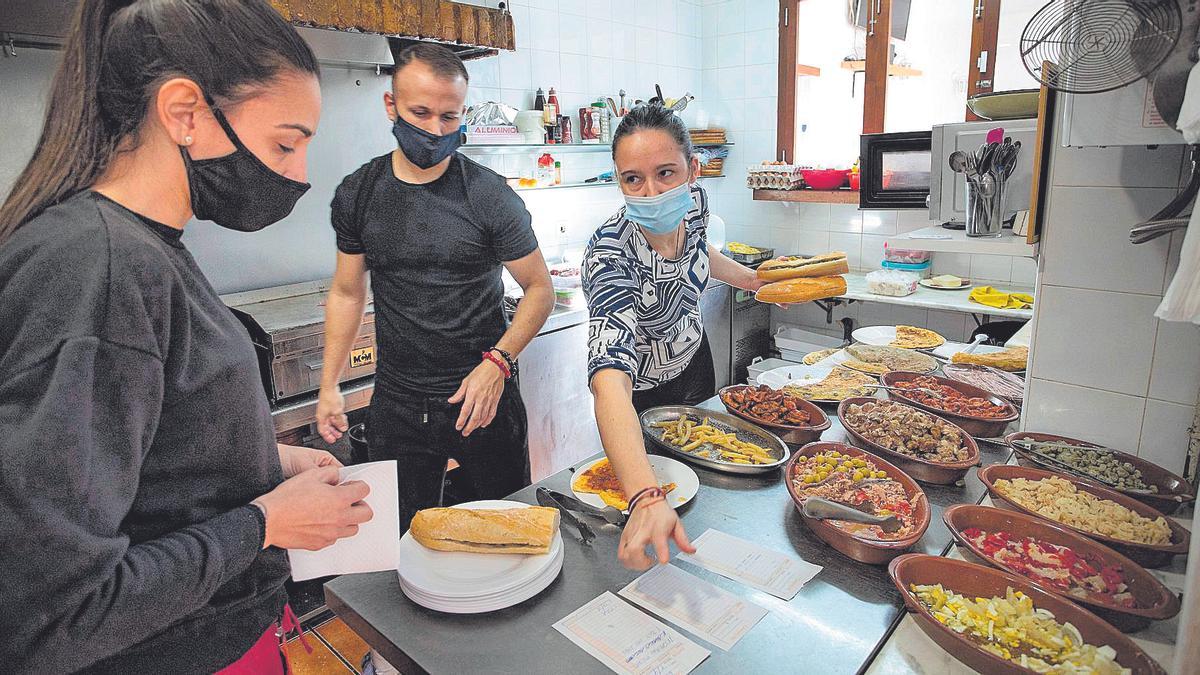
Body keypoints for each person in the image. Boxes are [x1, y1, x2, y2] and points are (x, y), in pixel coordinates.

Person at [0, 1, 373, 672]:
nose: (298, 174)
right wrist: (265, 522)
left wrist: (262, 462)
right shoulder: (102, 268)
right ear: (184, 112)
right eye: (285, 143)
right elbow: (53, 612)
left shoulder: (149, 248)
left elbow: (143, 472)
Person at [315, 43, 555, 530]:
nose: (435, 130)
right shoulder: (358, 193)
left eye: (449, 116)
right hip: (399, 403)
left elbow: (539, 289)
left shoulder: (488, 194)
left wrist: (498, 362)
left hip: (484, 394)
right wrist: (329, 383)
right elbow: (346, 292)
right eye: (420, 113)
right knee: (402, 539)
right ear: (391, 106)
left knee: (510, 530)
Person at [583, 105, 769, 570]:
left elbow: (699, 254)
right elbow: (610, 380)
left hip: (694, 359)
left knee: (708, 481)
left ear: (693, 170)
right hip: (640, 394)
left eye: (665, 172)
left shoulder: (696, 205)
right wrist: (645, 496)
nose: (651, 192)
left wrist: (753, 281)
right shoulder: (610, 252)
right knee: (662, 501)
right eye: (633, 179)